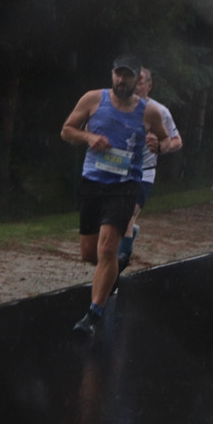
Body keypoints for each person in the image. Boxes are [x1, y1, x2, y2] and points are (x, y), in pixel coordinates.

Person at [61, 54, 171, 335]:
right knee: (90, 253)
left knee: (107, 247)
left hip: (125, 186)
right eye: (118, 74)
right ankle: (113, 268)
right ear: (112, 75)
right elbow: (67, 131)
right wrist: (89, 138)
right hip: (93, 181)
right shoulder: (93, 99)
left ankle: (92, 316)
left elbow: (165, 138)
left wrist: (157, 144)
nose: (122, 80)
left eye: (128, 76)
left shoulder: (149, 112)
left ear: (138, 79)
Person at [118, 67, 184, 270]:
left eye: (140, 82)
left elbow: (177, 141)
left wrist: (162, 147)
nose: (135, 86)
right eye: (133, 81)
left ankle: (121, 259)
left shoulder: (159, 112)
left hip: (144, 172)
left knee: (128, 213)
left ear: (149, 86)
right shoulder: (115, 106)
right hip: (116, 170)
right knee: (114, 219)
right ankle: (128, 237)